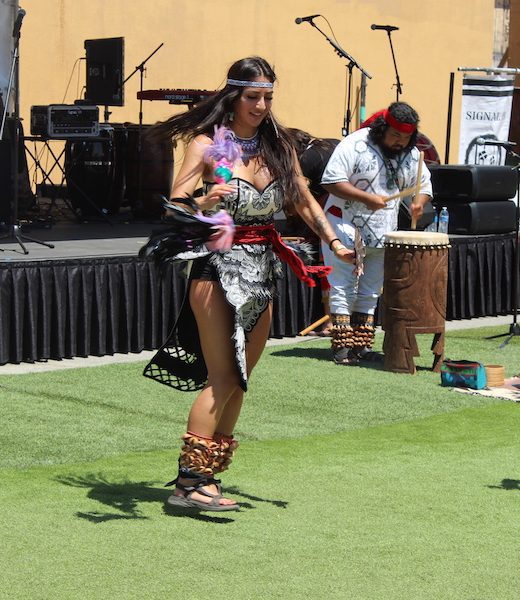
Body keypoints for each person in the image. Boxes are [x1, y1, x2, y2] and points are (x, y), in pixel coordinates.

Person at [147, 56, 354, 511]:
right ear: (234, 97)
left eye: (268, 98)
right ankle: (186, 484)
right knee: (223, 376)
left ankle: (209, 478)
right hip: (216, 270)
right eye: (253, 97)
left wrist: (335, 242)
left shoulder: (277, 146)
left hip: (263, 268)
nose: (261, 106)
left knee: (241, 378)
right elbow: (176, 206)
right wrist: (206, 198)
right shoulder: (205, 146)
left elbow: (301, 197)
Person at [320, 101, 433, 365]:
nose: (400, 142)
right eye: (395, 136)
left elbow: (424, 184)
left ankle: (360, 347)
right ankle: (341, 348)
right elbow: (331, 180)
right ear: (383, 128)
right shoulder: (354, 144)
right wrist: (366, 198)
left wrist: (420, 202)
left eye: (406, 138)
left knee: (371, 290)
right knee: (343, 286)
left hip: (384, 230)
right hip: (345, 225)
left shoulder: (412, 154)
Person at [285, 129, 341, 335]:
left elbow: (296, 199)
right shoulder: (329, 143)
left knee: (327, 260)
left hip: (334, 211)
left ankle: (331, 323)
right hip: (352, 212)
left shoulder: (306, 159)